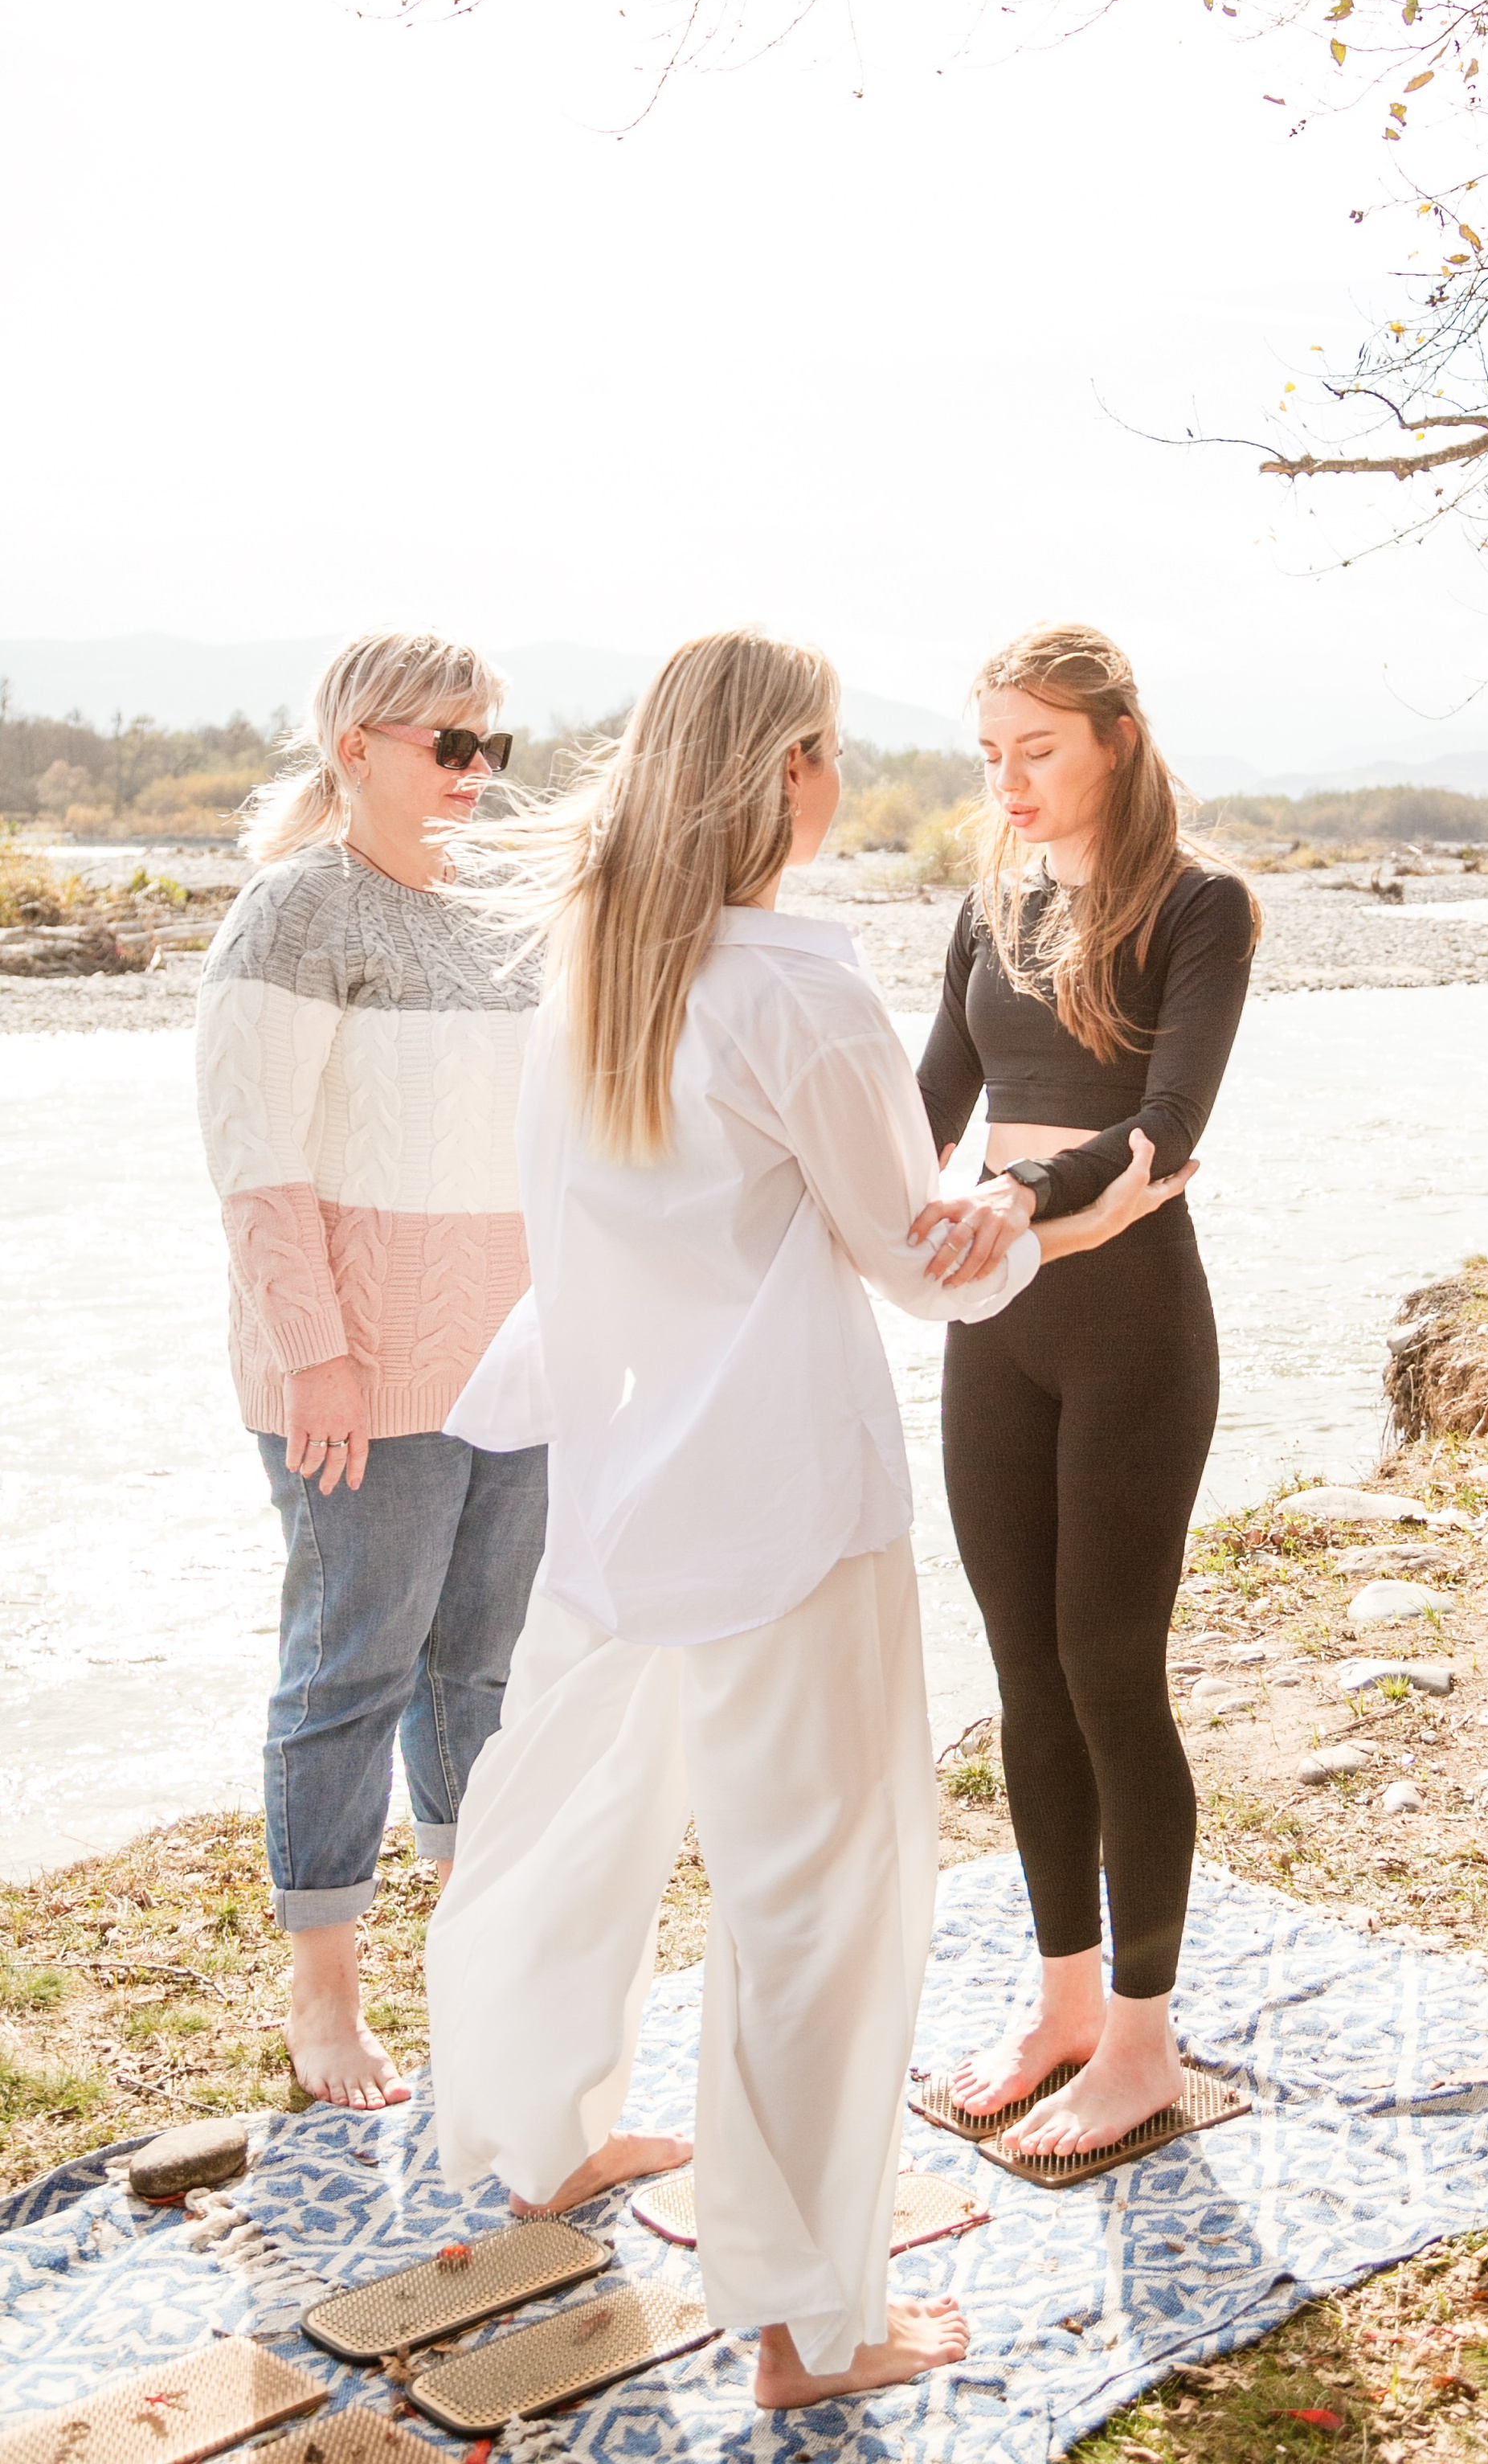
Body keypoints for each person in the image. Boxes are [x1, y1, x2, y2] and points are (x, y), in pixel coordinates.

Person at [427, 628, 1184, 2413]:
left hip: (612, 1495)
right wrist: (1044, 1216)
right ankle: (806, 2322)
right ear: (781, 774)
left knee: (573, 1819)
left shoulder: (595, 972)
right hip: (776, 1506)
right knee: (817, 1902)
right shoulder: (792, 985)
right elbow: (906, 1260)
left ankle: (539, 2141)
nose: (845, 775)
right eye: (831, 746)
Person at [913, 624, 1257, 2160]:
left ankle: (1143, 2042)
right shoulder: (988, 906)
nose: (1010, 781)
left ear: (1115, 736)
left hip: (1131, 1330)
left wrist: (1015, 1193)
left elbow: (1168, 1130)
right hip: (999, 1322)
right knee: (1022, 1672)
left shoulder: (1202, 907)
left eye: (1036, 748)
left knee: (1110, 1665)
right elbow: (924, 1107)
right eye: (991, 753)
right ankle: (1058, 2006)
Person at [194, 629, 545, 2111]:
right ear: (357, 747)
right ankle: (323, 2001)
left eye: (491, 748)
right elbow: (254, 1160)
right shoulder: (294, 912)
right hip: (356, 1376)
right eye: (446, 745)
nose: (475, 774)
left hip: (514, 1366)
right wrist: (314, 1360)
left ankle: (475, 1966)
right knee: (353, 1670)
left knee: (480, 1671)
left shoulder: (502, 915)